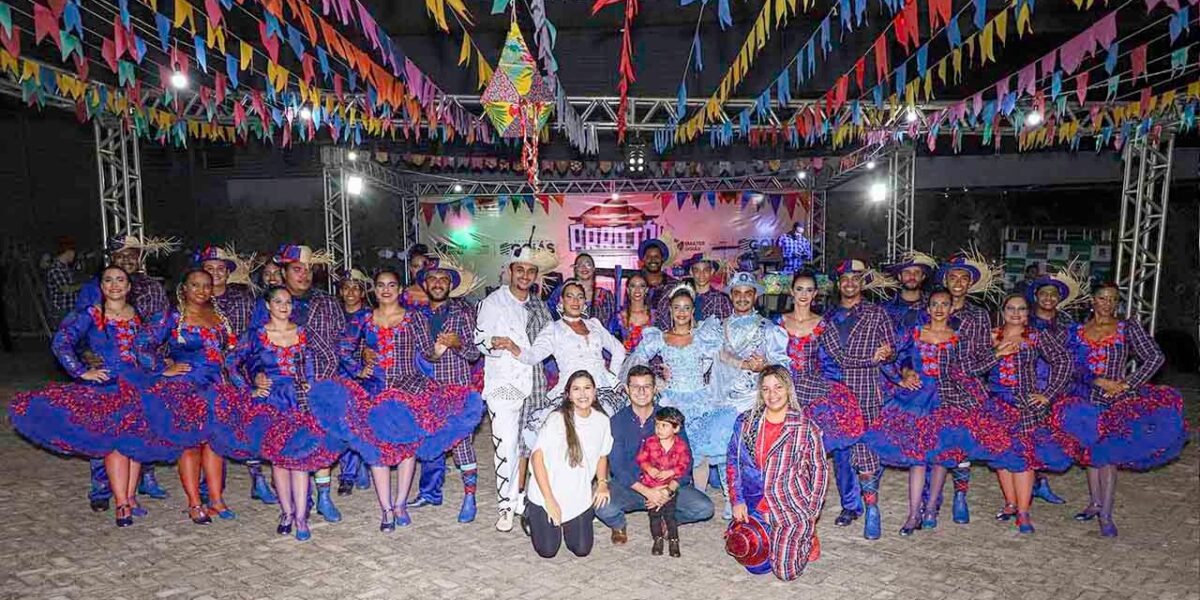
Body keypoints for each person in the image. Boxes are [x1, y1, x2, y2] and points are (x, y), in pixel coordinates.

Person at [9, 266, 177, 527]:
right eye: (108, 280)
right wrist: (82, 371)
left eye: (120, 280)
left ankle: (131, 498)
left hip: (137, 387)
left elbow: (147, 348)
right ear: (101, 287)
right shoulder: (91, 314)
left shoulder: (138, 315)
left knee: (134, 445)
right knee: (115, 445)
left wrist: (161, 364)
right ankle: (121, 503)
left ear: (129, 286)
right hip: (106, 388)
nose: (114, 285)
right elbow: (61, 342)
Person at [862, 288, 1013, 536]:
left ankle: (932, 508)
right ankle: (913, 514)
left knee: (942, 456)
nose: (940, 308)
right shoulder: (914, 333)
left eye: (945, 304)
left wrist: (996, 354)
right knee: (917, 458)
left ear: (952, 308)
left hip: (947, 399)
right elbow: (892, 357)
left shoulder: (958, 337)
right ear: (928, 308)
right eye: (935, 304)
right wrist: (902, 375)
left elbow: (970, 368)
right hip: (917, 398)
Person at [340, 269, 480, 531]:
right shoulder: (363, 319)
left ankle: (401, 503)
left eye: (391, 285)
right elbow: (344, 348)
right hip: (376, 390)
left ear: (400, 289)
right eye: (380, 285)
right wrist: (361, 364)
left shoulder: (413, 318)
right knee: (378, 451)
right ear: (374, 289)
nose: (386, 290)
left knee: (407, 449)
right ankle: (386, 510)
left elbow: (428, 352)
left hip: (408, 388)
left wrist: (440, 350)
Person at [1053, 283, 1188, 538]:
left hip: (1117, 401)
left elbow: (1155, 357)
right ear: (1092, 300)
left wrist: (1128, 383)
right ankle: (1094, 503)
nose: (1107, 303)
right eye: (1102, 298)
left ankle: (1106, 514)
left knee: (1109, 457)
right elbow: (1068, 365)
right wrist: (1096, 380)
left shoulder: (1128, 328)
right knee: (1091, 452)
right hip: (1084, 398)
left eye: (1113, 299)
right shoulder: (1076, 331)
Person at [220, 286, 351, 542]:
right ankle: (287, 513)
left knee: (300, 458)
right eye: (278, 301)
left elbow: (326, 358)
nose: (283, 306)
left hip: (301, 401)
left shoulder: (304, 332)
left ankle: (302, 517)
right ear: (267, 305)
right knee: (279, 460)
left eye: (288, 302)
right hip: (272, 402)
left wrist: (313, 383)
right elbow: (231, 362)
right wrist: (250, 387)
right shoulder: (255, 335)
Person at [75, 235, 175, 508]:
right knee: (103, 431)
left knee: (142, 428)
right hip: (106, 372)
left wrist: (162, 362)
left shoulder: (153, 287)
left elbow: (162, 328)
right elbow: (76, 329)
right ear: (111, 258)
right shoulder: (94, 288)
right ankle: (101, 489)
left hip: (141, 372)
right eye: (121, 254)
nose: (128, 259)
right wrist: (85, 358)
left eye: (133, 254)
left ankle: (145, 479)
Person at [137, 269, 238, 524]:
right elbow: (140, 345)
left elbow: (231, 350)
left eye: (207, 285)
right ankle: (194, 502)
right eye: (196, 285)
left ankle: (216, 499)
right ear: (184, 288)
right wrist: (163, 368)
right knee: (190, 444)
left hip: (217, 386)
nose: (202, 290)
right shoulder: (171, 317)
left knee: (215, 444)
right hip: (187, 388)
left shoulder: (219, 315)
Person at [474, 244, 557, 533]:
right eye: (519, 270)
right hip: (504, 383)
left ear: (535, 276)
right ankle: (506, 505)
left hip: (534, 382)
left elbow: (549, 341)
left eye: (530, 271)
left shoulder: (539, 305)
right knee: (506, 444)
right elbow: (478, 341)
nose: (524, 275)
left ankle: (526, 499)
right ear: (510, 271)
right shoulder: (492, 302)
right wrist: (495, 344)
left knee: (533, 444)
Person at [980, 294, 1074, 534]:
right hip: (995, 404)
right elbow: (972, 366)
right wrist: (996, 354)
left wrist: (1048, 394)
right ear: (1002, 311)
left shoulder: (1035, 337)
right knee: (1001, 454)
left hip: (1024, 404)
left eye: (1021, 309)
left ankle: (1023, 511)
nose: (1015, 313)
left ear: (1027, 313)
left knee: (1023, 457)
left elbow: (1063, 361)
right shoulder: (991, 336)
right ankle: (1010, 504)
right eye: (1010, 308)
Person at [623, 285, 728, 498]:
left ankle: (701, 495)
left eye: (686, 308)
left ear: (692, 312)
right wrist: (658, 380)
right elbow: (637, 360)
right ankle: (673, 493)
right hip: (672, 399)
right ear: (670, 311)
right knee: (670, 449)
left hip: (699, 397)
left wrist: (705, 371)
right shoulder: (659, 337)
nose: (681, 312)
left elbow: (720, 360)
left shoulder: (702, 337)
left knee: (702, 449)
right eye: (677, 308)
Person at [777, 271, 865, 520]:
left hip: (818, 390)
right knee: (787, 451)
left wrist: (835, 391)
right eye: (799, 289)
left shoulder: (824, 324)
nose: (804, 294)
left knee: (840, 447)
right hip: (785, 393)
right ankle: (793, 502)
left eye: (809, 290)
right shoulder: (777, 323)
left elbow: (836, 360)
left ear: (815, 294)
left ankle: (851, 504)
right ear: (791, 291)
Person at [726, 365, 828, 581]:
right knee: (755, 563)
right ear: (760, 393)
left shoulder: (804, 427)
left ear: (788, 389)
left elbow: (819, 470)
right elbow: (733, 463)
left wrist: (811, 512)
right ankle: (776, 533)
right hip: (755, 502)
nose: (772, 395)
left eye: (778, 387)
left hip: (788, 505)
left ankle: (805, 536)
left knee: (784, 572)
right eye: (766, 389)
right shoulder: (746, 422)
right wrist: (737, 500)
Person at [494, 279, 628, 443]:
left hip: (602, 388)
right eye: (570, 296)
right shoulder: (554, 329)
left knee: (603, 435)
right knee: (573, 435)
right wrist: (513, 347)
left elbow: (619, 349)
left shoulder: (594, 324)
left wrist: (611, 374)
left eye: (579, 297)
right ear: (561, 301)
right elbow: (533, 356)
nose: (575, 301)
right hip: (572, 389)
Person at [594, 365, 714, 545]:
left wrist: (667, 490)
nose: (641, 391)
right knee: (602, 505)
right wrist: (648, 492)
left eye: (647, 386)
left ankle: (670, 519)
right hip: (632, 487)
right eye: (635, 387)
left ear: (655, 389)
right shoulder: (617, 421)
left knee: (704, 508)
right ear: (627, 390)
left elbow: (686, 462)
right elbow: (617, 466)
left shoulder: (670, 417)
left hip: (666, 486)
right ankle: (618, 525)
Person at [819, 259, 896, 539]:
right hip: (837, 392)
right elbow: (834, 358)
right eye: (844, 279)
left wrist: (889, 355)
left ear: (863, 282)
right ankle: (850, 505)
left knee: (867, 449)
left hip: (867, 391)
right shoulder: (826, 318)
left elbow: (892, 350)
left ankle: (871, 507)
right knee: (841, 453)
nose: (850, 283)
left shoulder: (878, 314)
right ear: (838, 284)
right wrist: (870, 358)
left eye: (855, 278)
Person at [406, 259, 485, 523]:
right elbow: (420, 354)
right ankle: (430, 493)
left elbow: (475, 353)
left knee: (462, 443)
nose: (438, 283)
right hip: (428, 390)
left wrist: (458, 343)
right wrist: (437, 351)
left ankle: (469, 497)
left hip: (458, 391)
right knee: (430, 442)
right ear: (425, 284)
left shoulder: (463, 313)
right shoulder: (416, 317)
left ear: (450, 284)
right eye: (433, 279)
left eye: (443, 279)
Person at [194, 245, 274, 505]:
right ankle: (209, 484)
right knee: (210, 427)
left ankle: (258, 479)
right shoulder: (193, 302)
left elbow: (258, 336)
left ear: (228, 273)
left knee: (249, 425)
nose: (216, 274)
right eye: (209, 269)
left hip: (240, 370)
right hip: (206, 374)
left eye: (221, 269)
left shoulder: (244, 299)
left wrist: (259, 367)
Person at [273, 244, 347, 522]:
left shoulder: (327, 302)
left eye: (307, 270)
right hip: (287, 387)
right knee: (292, 442)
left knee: (324, 439)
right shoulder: (272, 303)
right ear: (283, 272)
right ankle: (296, 501)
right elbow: (255, 345)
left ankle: (324, 497)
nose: (303, 275)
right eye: (296, 269)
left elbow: (343, 340)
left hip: (324, 382)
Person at [710, 272, 789, 519]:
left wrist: (765, 363)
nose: (742, 298)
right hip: (724, 398)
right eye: (737, 293)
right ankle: (730, 497)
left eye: (748, 293)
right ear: (731, 296)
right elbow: (707, 357)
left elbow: (784, 363)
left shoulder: (769, 329)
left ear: (755, 296)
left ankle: (758, 496)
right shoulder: (717, 328)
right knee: (725, 448)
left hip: (755, 398)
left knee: (752, 451)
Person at [937, 251, 1001, 525]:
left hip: (966, 387)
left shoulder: (979, 315)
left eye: (964, 278)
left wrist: (996, 356)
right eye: (953, 277)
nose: (959, 282)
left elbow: (984, 356)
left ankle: (960, 496)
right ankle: (931, 501)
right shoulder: (932, 308)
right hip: (936, 386)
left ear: (970, 284)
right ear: (946, 280)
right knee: (937, 443)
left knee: (962, 446)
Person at [526, 370, 613, 559]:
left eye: (587, 388)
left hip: (577, 495)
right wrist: (549, 500)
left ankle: (567, 522)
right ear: (568, 394)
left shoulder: (602, 421)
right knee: (548, 550)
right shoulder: (556, 419)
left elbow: (602, 454)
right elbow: (537, 458)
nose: (582, 394)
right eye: (576, 389)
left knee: (581, 549)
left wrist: (602, 483)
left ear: (595, 391)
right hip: (547, 493)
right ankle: (530, 512)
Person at [335, 268, 374, 496]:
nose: (350, 292)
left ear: (362, 292)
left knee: (363, 425)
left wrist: (366, 364)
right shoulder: (333, 314)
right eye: (346, 287)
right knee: (344, 426)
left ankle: (362, 465)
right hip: (338, 377)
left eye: (355, 288)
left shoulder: (370, 317)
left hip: (366, 379)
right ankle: (348, 473)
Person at [636, 406, 691, 557]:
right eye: (657, 425)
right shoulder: (650, 442)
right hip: (652, 487)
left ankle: (674, 541)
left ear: (676, 428)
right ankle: (657, 539)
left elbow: (684, 465)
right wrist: (648, 468)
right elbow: (642, 459)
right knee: (654, 516)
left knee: (670, 516)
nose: (659, 429)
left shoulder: (681, 446)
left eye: (664, 425)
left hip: (669, 487)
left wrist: (671, 472)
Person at [654, 253, 732, 330]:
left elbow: (729, 329)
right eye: (696, 270)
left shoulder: (722, 300)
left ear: (712, 272)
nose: (701, 274)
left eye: (706, 270)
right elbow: (660, 321)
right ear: (691, 272)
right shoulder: (677, 295)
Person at [550, 253, 616, 325]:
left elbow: (611, 325)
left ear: (593, 269)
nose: (584, 267)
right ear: (575, 269)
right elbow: (548, 312)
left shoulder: (605, 295)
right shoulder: (562, 290)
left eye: (588, 264)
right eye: (580, 265)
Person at [883, 250, 936, 335]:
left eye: (917, 272)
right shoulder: (884, 309)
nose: (912, 276)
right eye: (907, 272)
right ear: (899, 277)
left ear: (923, 277)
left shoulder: (935, 307)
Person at [608, 272, 654, 352]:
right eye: (633, 286)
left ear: (646, 290)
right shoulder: (617, 319)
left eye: (641, 286)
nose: (637, 289)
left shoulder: (655, 317)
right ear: (628, 290)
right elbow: (609, 346)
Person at [45, 236, 79, 328]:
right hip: (62, 311)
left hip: (68, 310)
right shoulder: (55, 269)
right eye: (73, 252)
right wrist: (83, 285)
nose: (74, 255)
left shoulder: (65, 268)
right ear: (68, 252)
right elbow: (66, 289)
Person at [638, 239, 676, 307]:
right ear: (643, 259)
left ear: (662, 258)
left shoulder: (673, 285)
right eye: (648, 257)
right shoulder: (635, 285)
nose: (653, 260)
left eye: (656, 256)